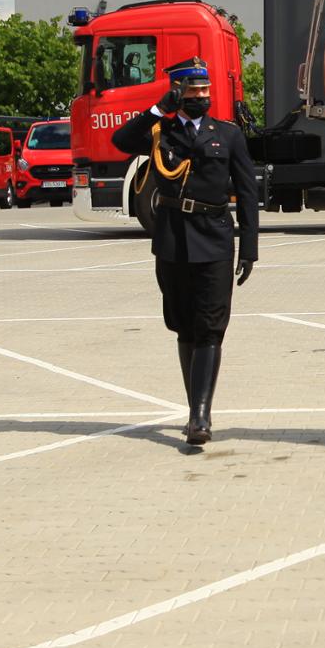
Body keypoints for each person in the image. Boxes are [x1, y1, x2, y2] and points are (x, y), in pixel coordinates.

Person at [112, 57, 261, 448]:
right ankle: (194, 404)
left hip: (214, 238)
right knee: (183, 324)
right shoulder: (160, 131)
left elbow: (248, 192)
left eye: (205, 90)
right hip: (173, 239)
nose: (201, 96)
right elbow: (121, 142)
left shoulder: (227, 134)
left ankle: (200, 415)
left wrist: (249, 247)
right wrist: (156, 110)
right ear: (177, 93)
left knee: (211, 325)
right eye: (193, 91)